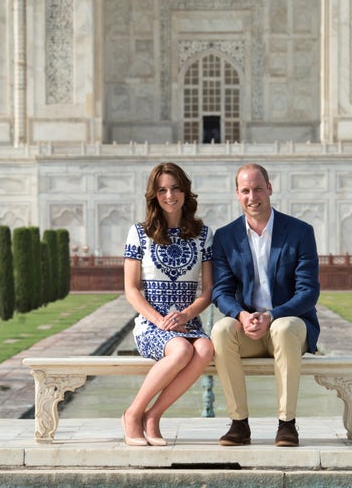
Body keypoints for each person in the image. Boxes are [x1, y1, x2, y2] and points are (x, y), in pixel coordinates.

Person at [210, 163, 320, 447]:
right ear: (237, 194)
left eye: (258, 188)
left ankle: (287, 424)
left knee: (282, 328)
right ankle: (239, 423)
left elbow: (308, 292)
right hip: (250, 329)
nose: (252, 196)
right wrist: (241, 315)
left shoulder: (299, 232)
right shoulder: (225, 237)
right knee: (221, 330)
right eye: (245, 190)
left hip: (290, 325)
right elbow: (221, 292)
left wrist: (272, 316)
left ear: (269, 188)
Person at [122, 162, 214, 446]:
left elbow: (209, 289)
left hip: (188, 322)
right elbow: (131, 289)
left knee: (206, 348)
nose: (169, 196)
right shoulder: (139, 233)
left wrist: (186, 314)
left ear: (185, 192)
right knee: (180, 349)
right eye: (162, 190)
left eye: (175, 188)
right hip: (151, 325)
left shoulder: (203, 234)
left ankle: (154, 416)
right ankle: (133, 414)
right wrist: (159, 319)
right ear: (154, 195)